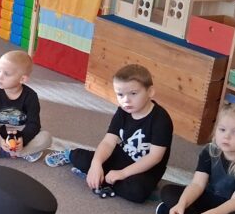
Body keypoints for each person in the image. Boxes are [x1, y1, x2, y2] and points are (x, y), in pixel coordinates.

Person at [46, 64, 173, 203]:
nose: (126, 100)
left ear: (150, 92)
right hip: (122, 156)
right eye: (120, 94)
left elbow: (154, 157)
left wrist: (122, 173)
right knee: (85, 160)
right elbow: (108, 142)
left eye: (133, 93)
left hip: (147, 168)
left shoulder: (161, 119)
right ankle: (70, 155)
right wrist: (96, 164)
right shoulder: (123, 111)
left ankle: (101, 180)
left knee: (137, 192)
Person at [0, 50, 51, 162]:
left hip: (21, 130)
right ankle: (20, 152)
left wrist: (22, 139)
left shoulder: (31, 96)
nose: (0, 77)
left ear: (22, 79)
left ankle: (2, 151)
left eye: (6, 74)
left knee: (46, 138)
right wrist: (0, 138)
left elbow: (34, 124)